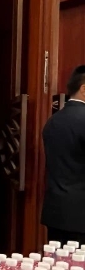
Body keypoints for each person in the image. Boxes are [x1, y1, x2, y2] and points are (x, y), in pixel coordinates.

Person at [41, 65, 85, 245]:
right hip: (81, 217)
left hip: (56, 213)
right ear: (84, 89)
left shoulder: (53, 121)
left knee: (56, 261)